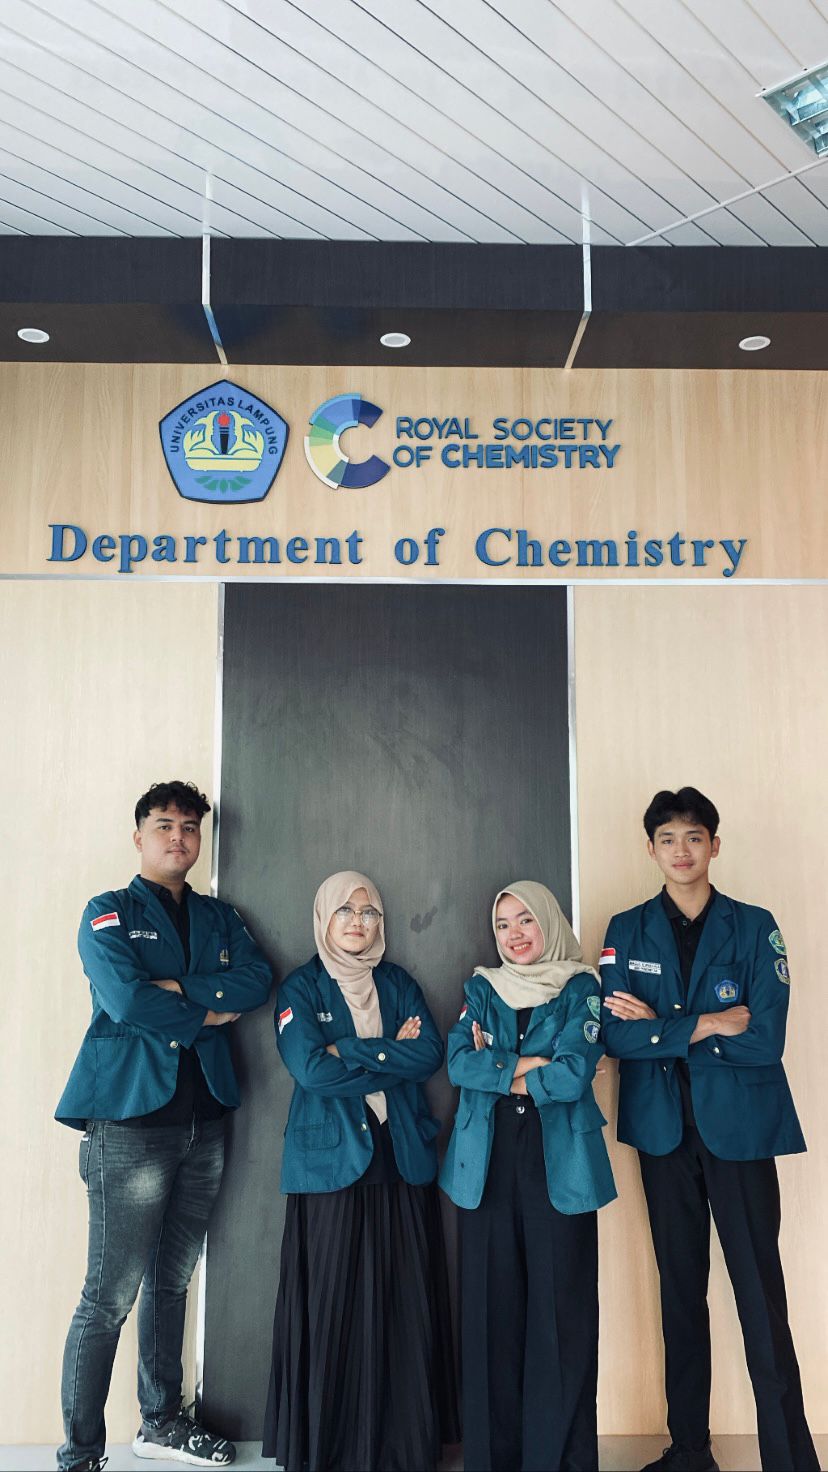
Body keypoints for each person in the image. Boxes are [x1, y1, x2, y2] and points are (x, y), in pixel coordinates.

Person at [55, 780, 272, 1472]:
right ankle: (80, 1454)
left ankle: (161, 1421)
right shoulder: (107, 912)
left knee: (172, 1281)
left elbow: (257, 981)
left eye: (189, 827)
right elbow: (124, 1000)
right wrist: (208, 1007)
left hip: (205, 1121)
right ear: (139, 836)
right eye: (164, 825)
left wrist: (177, 990)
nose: (179, 837)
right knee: (108, 1297)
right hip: (129, 1123)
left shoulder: (220, 917)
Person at [601, 787, 819, 1472]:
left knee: (760, 1293)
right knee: (680, 1294)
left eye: (694, 837)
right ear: (651, 849)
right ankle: (690, 1452)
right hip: (662, 1134)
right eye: (668, 839)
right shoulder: (626, 929)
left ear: (714, 845)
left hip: (740, 1132)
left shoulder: (754, 927)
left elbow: (766, 1039)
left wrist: (662, 1030)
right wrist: (709, 1022)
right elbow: (614, 1037)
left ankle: (790, 1458)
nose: (682, 850)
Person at [263, 870, 458, 1472]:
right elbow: (311, 1072)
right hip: (330, 1163)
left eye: (369, 912)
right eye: (345, 910)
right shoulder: (300, 988)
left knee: (403, 1304)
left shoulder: (397, 982)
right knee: (333, 1305)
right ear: (324, 918)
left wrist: (345, 1049)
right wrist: (389, 1052)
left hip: (400, 1156)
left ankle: (402, 1446)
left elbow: (429, 1054)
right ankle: (332, 1448)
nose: (357, 921)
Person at [440, 880, 616, 1472]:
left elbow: (573, 1074)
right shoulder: (481, 988)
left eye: (525, 921)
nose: (514, 935)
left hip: (558, 1157)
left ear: (549, 922)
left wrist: (501, 1070)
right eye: (503, 924)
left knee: (561, 1313)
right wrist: (528, 1064)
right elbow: (457, 1061)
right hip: (486, 1160)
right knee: (490, 1315)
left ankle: (561, 1461)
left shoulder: (581, 986)